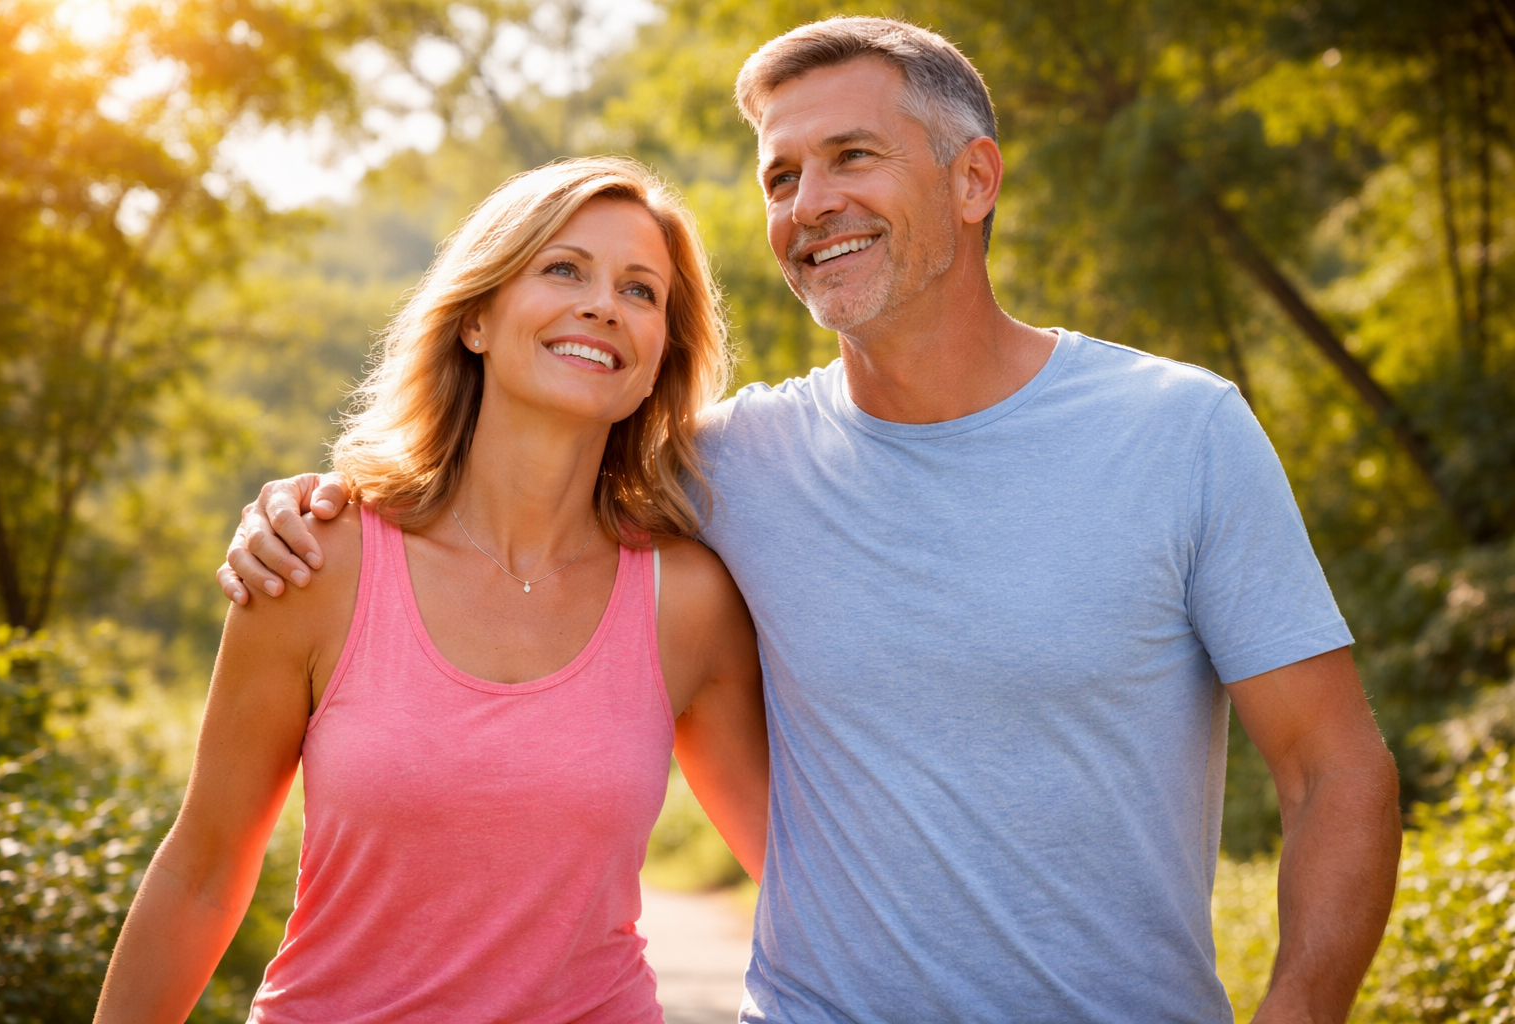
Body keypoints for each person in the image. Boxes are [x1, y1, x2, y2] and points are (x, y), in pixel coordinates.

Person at [219, 17, 1404, 1024]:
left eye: (852, 156)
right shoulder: (727, 465)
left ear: (973, 179)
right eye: (782, 176)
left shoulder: (1180, 431)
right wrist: (309, 501)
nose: (810, 202)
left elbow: (1334, 769)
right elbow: (507, 484)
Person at [96, 157, 769, 1024]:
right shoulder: (318, 560)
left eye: (641, 291)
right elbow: (202, 871)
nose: (603, 303)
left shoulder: (687, 601)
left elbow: (805, 883)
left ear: (653, 367)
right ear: (478, 318)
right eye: (563, 268)